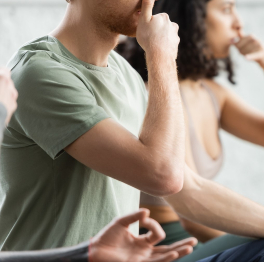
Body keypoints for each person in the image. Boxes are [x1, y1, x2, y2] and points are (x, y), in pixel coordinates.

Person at [1, 0, 264, 261]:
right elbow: (164, 175)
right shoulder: (42, 73)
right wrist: (160, 56)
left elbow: (189, 190)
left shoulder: (125, 75)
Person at [117, 0, 264, 260]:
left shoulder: (211, 94)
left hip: (200, 238)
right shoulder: (157, 92)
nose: (238, 23)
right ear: (195, 16)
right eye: (226, 9)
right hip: (168, 246)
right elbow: (191, 214)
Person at [0, 68, 197, 261]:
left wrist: (88, 253)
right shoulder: (38, 74)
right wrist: (163, 52)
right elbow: (164, 176)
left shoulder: (126, 74)